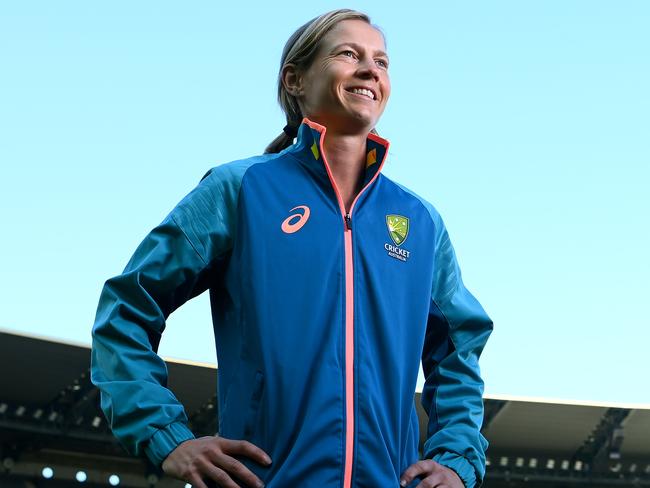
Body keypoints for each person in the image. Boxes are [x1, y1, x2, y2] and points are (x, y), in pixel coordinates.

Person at [91, 8, 493, 488]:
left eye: (382, 62)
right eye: (349, 54)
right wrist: (166, 436)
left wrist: (457, 458)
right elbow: (128, 307)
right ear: (295, 80)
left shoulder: (419, 221)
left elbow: (459, 347)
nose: (371, 70)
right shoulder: (239, 189)